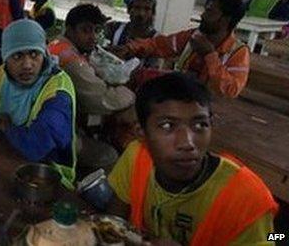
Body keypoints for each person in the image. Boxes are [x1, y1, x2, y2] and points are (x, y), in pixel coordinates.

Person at [106, 72, 277, 245]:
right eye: (167, 126)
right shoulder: (137, 157)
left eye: (199, 125)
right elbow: (112, 223)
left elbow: (276, 238)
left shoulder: (247, 197)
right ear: (141, 132)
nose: (187, 143)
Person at [0, 19, 78, 189]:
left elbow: (35, 147)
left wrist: (5, 125)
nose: (27, 65)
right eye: (17, 56)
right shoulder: (2, 75)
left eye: (34, 54)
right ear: (5, 58)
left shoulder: (57, 93)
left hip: (47, 182)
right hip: (6, 163)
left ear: (44, 53)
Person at [112, 0, 250, 98]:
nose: (202, 15)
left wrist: (210, 55)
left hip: (208, 109)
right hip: (182, 96)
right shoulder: (194, 36)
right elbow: (158, 44)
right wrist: (130, 48)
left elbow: (230, 90)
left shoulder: (239, 52)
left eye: (209, 12)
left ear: (225, 20)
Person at [48, 4, 135, 157]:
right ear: (69, 29)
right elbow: (102, 99)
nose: (93, 37)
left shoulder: (57, 44)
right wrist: (129, 93)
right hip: (56, 132)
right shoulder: (70, 59)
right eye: (86, 30)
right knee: (110, 155)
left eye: (96, 30)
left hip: (54, 119)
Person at [105, 0, 160, 68]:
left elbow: (153, 70)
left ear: (153, 13)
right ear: (129, 10)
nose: (141, 14)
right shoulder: (113, 28)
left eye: (147, 9)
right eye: (137, 8)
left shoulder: (157, 40)